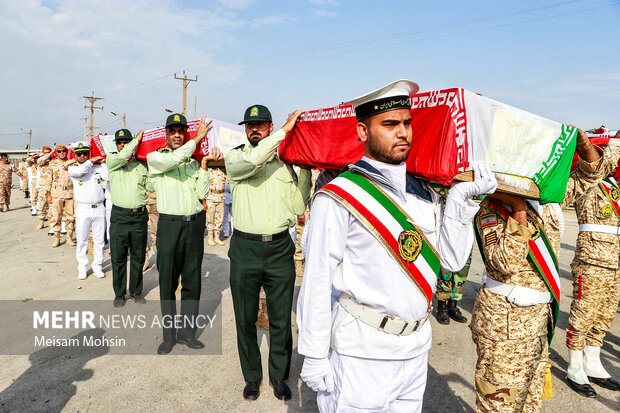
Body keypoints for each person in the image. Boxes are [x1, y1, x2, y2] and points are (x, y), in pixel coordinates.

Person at [296, 80, 496, 413]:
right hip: (362, 352)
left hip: (415, 349)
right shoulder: (340, 195)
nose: (402, 132)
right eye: (389, 124)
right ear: (362, 131)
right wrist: (314, 354)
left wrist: (461, 202)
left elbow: (450, 260)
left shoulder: (424, 193)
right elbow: (317, 278)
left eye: (407, 123)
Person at [471, 127, 607, 412]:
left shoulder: (551, 198)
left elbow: (592, 173)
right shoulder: (493, 208)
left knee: (530, 401)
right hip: (504, 324)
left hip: (537, 321)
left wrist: (584, 145)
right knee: (499, 402)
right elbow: (504, 264)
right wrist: (518, 209)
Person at [225, 105, 311, 401]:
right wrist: (286, 130)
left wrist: (307, 171)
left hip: (278, 249)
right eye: (250, 125)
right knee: (245, 317)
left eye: (260, 124)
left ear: (269, 125)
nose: (254, 129)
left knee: (280, 320)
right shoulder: (236, 157)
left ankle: (279, 376)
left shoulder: (285, 164)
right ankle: (252, 377)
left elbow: (298, 207)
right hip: (245, 248)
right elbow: (256, 157)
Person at [146, 113, 221, 355]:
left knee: (192, 281)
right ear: (166, 134)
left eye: (181, 131)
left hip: (194, 224)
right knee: (167, 282)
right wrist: (198, 139)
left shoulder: (191, 162)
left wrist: (203, 166)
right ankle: (169, 336)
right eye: (173, 131)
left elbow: (202, 190)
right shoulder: (156, 158)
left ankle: (187, 333)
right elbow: (176, 157)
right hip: (169, 226)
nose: (177, 135)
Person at [565, 130, 620, 397]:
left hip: (615, 260)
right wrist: (613, 143)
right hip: (592, 257)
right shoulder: (586, 180)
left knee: (605, 314)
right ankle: (575, 366)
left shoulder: (615, 185)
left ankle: (593, 362)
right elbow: (598, 161)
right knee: (583, 313)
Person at [107, 128, 153, 308]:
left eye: (126, 141)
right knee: (118, 257)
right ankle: (119, 293)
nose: (123, 144)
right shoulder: (112, 160)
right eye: (120, 142)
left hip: (139, 216)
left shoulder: (142, 166)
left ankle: (136, 291)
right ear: (116, 145)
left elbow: (150, 185)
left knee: (138, 256)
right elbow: (121, 156)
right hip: (119, 216)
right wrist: (136, 140)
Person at [68, 141, 108, 280]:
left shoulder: (96, 167)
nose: (83, 156)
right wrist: (91, 161)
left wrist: (103, 163)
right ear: (75, 155)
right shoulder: (73, 169)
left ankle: (98, 266)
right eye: (79, 154)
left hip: (98, 207)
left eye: (85, 153)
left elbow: (107, 177)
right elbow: (81, 171)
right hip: (83, 209)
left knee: (99, 241)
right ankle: (82, 268)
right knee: (82, 240)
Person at [48, 145, 76, 247]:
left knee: (70, 217)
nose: (62, 153)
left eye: (64, 151)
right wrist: (48, 195)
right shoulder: (52, 164)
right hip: (56, 194)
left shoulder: (72, 163)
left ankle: (69, 238)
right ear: (56, 152)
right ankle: (57, 238)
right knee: (56, 216)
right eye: (59, 151)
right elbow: (48, 180)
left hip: (69, 193)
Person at [205, 166, 227, 246]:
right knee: (210, 218)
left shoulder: (221, 172)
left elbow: (227, 180)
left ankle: (217, 238)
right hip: (211, 197)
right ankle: (210, 238)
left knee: (219, 218)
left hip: (221, 197)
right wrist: (204, 201)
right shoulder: (207, 172)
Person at [36, 146, 53, 230]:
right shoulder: (40, 161)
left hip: (52, 186)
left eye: (48, 152)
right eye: (45, 152)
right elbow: (42, 159)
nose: (47, 154)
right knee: (42, 204)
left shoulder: (53, 162)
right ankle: (41, 221)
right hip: (43, 186)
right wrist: (51, 152)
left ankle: (50, 222)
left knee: (51, 205)